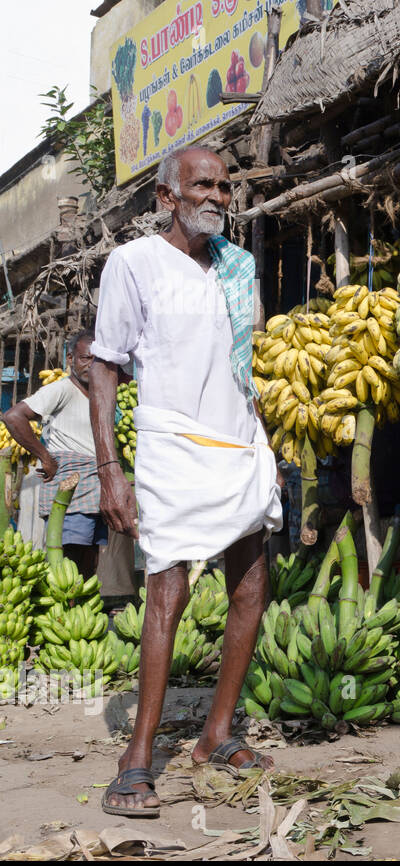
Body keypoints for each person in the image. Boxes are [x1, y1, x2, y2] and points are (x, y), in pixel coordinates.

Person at [89, 146, 283, 818]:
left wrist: (262, 442)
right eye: (204, 184)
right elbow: (107, 366)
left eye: (226, 185)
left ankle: (215, 733)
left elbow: (238, 364)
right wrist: (110, 469)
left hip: (235, 441)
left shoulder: (240, 266)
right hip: (172, 445)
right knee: (166, 592)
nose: (219, 195)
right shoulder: (133, 263)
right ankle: (137, 754)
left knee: (253, 583)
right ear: (167, 196)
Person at [2, 331, 105, 577]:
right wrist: (45, 457)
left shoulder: (100, 394)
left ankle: (84, 612)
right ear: (70, 359)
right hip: (71, 488)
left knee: (89, 562)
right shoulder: (62, 389)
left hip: (96, 486)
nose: (90, 365)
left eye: (96, 360)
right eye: (84, 359)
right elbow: (13, 417)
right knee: (67, 561)